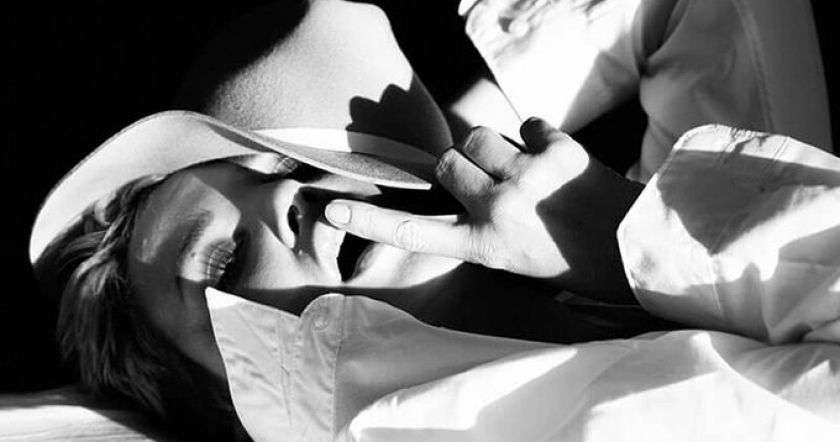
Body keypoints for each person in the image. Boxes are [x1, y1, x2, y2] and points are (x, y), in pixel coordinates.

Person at [28, 0, 838, 441]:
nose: (290, 197)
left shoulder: (627, 254)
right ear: (230, 401)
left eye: (290, 167)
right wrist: (630, 238)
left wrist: (455, 151)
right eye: (221, 263)